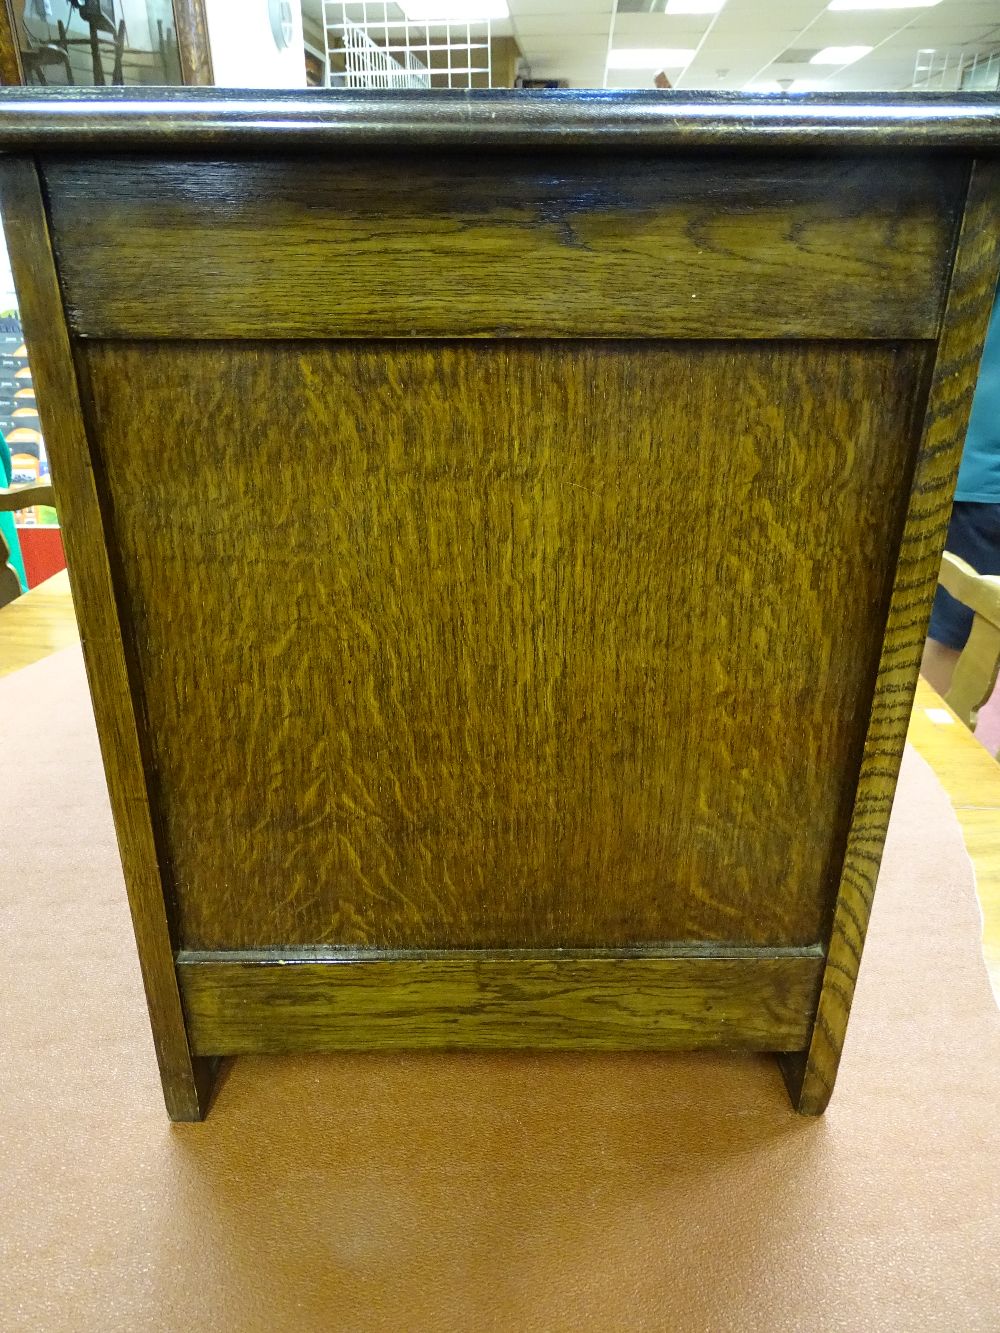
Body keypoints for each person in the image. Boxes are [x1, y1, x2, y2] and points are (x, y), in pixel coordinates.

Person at [921, 287, 1000, 697]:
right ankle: (924, 754)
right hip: (983, 481)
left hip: (976, 473)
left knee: (960, 631)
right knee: (953, 634)